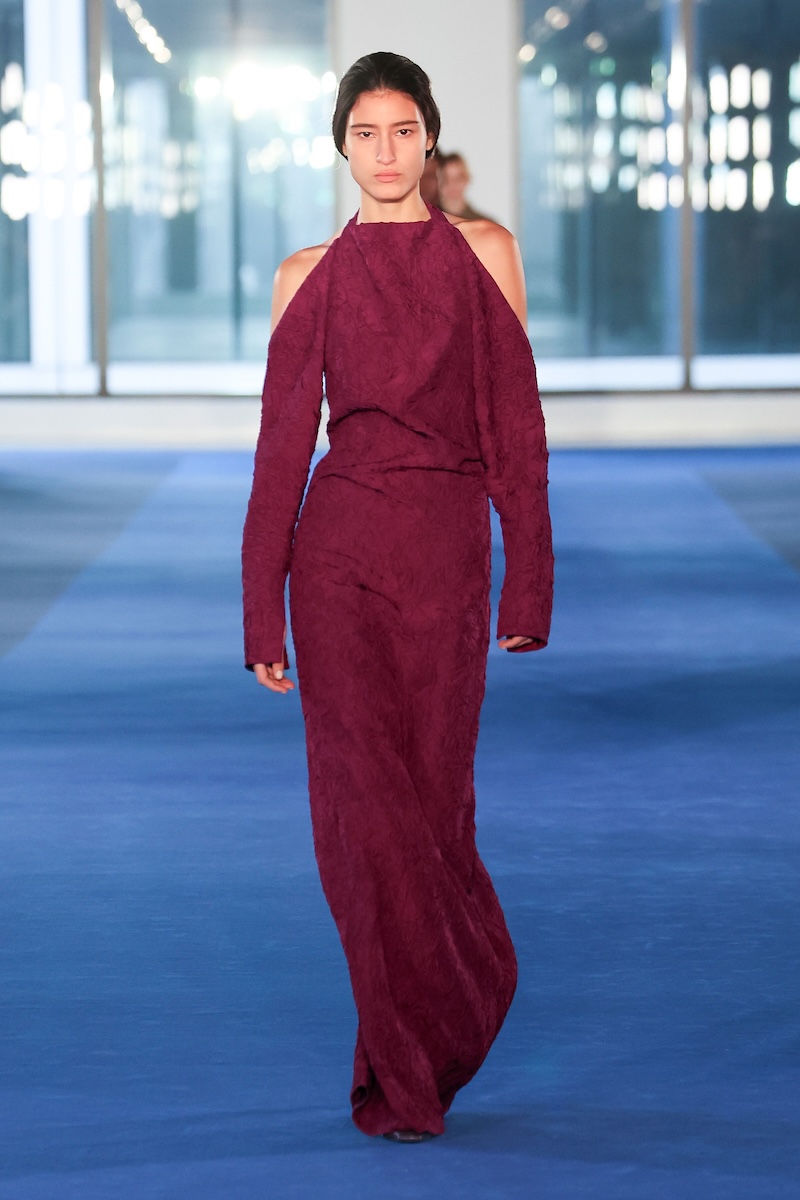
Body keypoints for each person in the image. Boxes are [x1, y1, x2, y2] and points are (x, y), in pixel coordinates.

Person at [242, 51, 553, 1143]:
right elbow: (280, 453)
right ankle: (400, 1072)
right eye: (365, 133)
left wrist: (530, 582)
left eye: (404, 131)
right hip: (336, 562)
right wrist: (260, 607)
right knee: (360, 819)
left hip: (445, 559)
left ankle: (456, 999)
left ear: (430, 138)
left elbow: (516, 428)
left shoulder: (485, 254)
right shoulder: (306, 275)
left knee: (433, 808)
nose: (386, 152)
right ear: (341, 144)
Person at [438, 150, 492, 221]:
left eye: (457, 179)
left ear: (467, 179)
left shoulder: (485, 224)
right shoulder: (428, 221)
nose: (452, 185)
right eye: (445, 179)